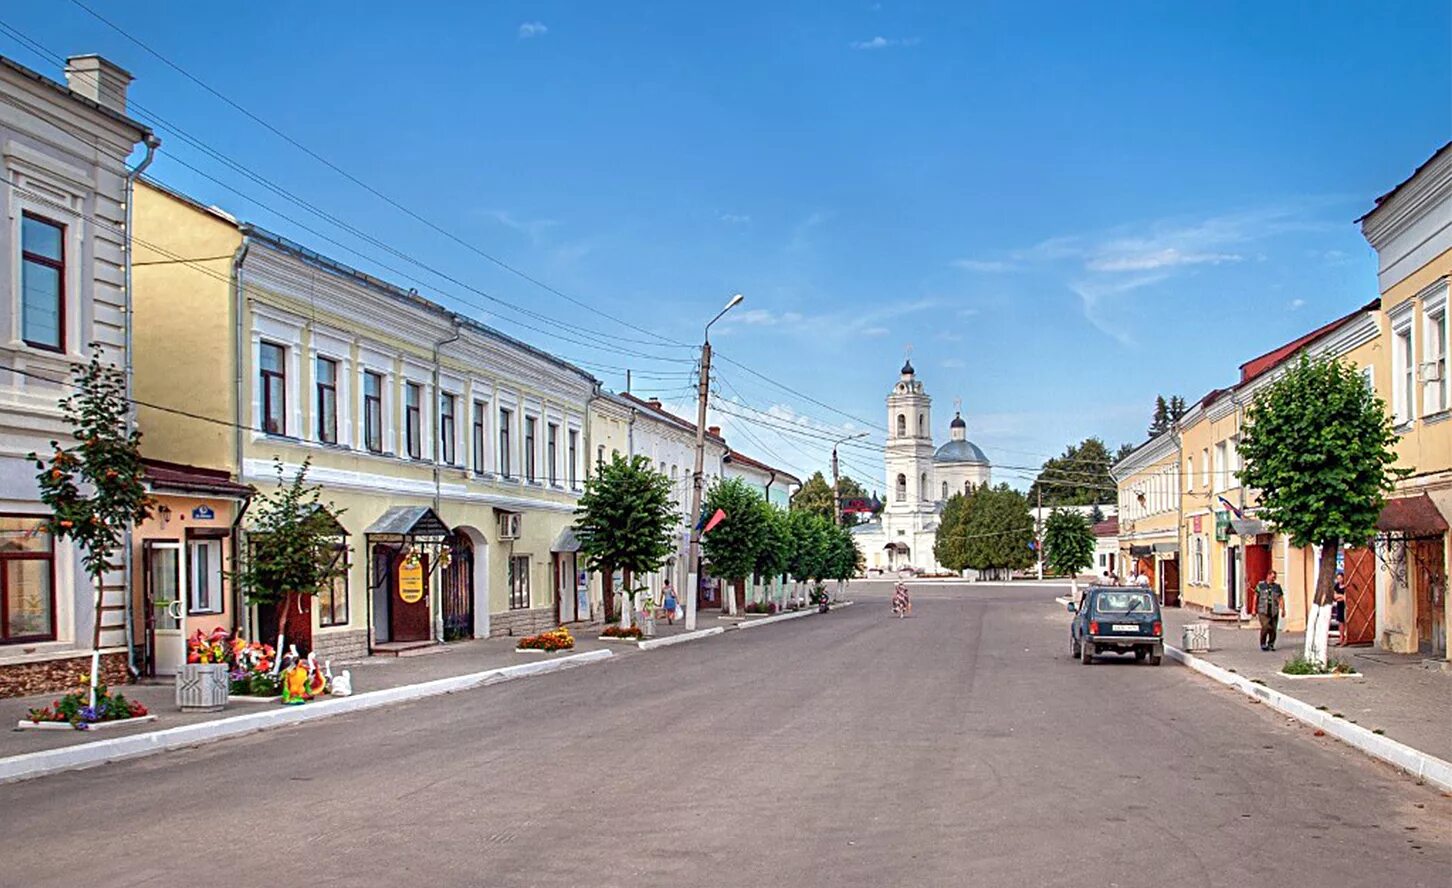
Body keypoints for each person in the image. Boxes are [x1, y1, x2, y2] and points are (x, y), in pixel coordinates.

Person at [1255, 570, 1285, 652]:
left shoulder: (1277, 587)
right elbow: (1256, 597)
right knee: (1266, 626)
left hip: (1274, 610)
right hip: (1263, 610)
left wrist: (1283, 609)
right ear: (1268, 576)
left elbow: (1281, 598)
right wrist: (1253, 609)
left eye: (1275, 578)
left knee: (1273, 629)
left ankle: (1271, 644)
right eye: (1272, 577)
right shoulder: (1261, 585)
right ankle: (1263, 643)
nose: (1273, 579)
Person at [1332, 571, 1348, 646]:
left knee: (1346, 621)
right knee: (1340, 621)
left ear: (1343, 578)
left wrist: (1340, 596)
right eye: (1338, 578)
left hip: (1345, 605)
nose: (1339, 579)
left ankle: (1346, 638)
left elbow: (1346, 597)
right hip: (1339, 605)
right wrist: (1341, 596)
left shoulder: (1346, 586)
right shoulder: (1336, 586)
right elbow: (1335, 597)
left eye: (1340, 578)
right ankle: (1341, 637)